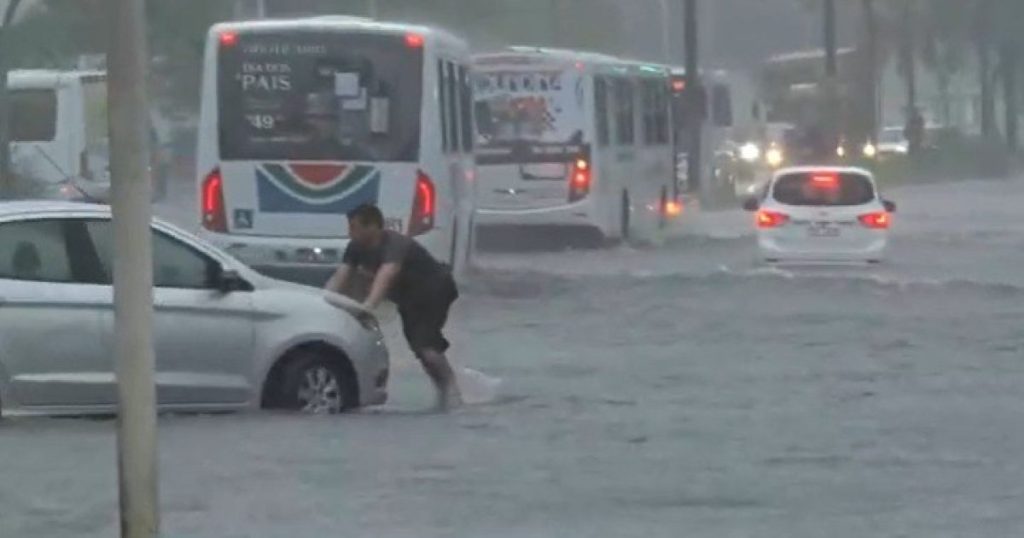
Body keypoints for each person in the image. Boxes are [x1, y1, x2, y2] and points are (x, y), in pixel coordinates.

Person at [325, 204, 462, 411]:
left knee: (426, 347)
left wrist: (368, 307)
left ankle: (452, 391)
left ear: (372, 227)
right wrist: (322, 301)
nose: (350, 233)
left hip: (436, 290)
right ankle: (443, 389)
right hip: (408, 298)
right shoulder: (355, 247)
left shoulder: (395, 244)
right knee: (420, 349)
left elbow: (386, 276)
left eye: (354, 228)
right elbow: (340, 277)